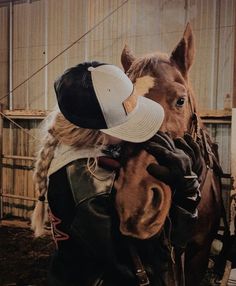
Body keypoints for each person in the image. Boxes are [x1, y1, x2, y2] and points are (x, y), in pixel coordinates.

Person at [31, 61, 202, 286]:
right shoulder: (91, 184)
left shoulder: (70, 152)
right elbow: (148, 262)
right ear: (98, 130)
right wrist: (187, 195)